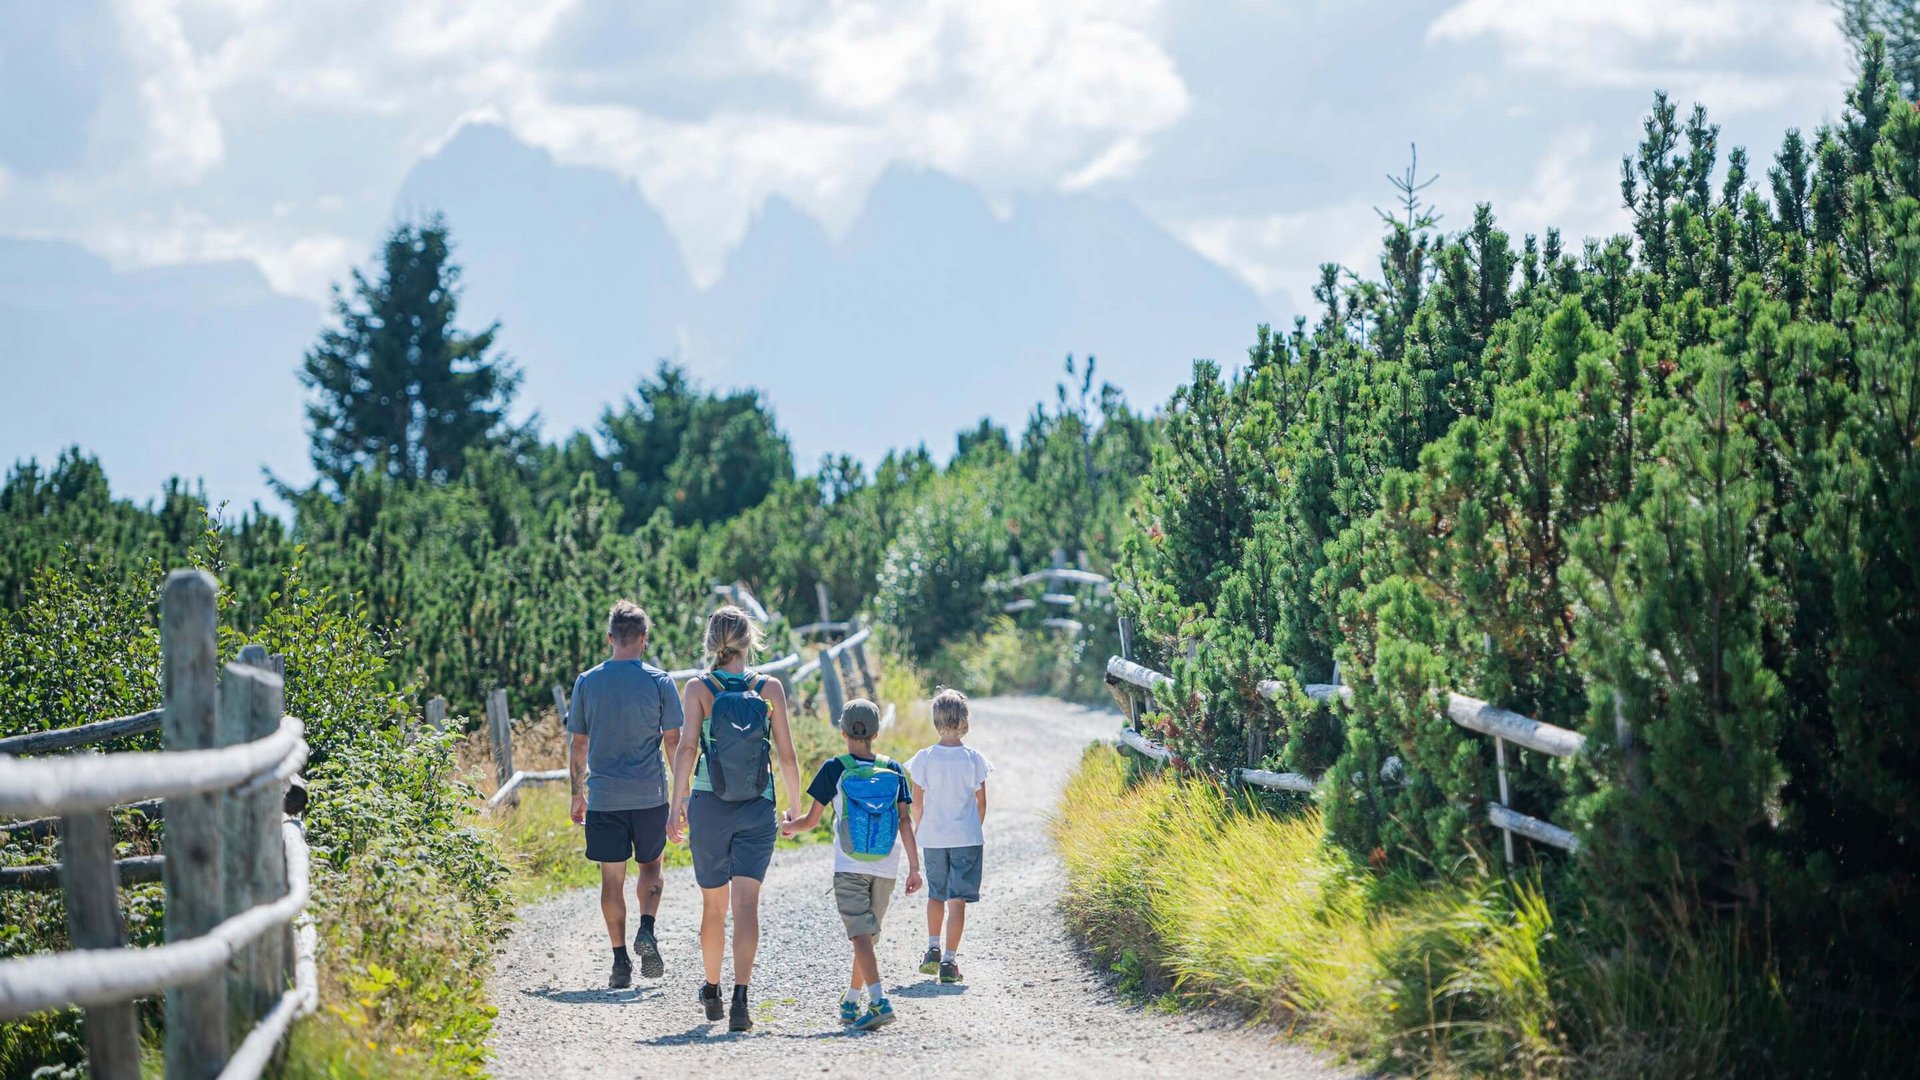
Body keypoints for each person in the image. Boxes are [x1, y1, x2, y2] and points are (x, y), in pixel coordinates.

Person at [667, 605, 801, 1032]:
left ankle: (712, 990)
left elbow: (687, 748)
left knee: (713, 905)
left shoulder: (698, 688)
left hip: (709, 805)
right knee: (746, 905)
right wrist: (795, 808)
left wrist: (677, 803)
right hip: (758, 806)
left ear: (711, 643)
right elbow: (786, 755)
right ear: (749, 640)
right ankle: (742, 1000)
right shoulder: (769, 688)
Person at [780, 698, 922, 1031]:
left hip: (850, 865)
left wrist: (787, 826)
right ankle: (851, 1000)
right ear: (875, 733)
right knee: (866, 937)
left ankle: (879, 1002)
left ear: (843, 731)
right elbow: (905, 821)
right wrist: (915, 867)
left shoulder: (834, 768)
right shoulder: (894, 769)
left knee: (861, 936)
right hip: (886, 866)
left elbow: (810, 821)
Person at [567, 600, 683, 990]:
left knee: (611, 880)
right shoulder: (660, 682)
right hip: (650, 797)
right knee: (650, 868)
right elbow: (673, 743)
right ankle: (646, 927)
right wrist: (682, 797)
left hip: (604, 799)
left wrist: (577, 794)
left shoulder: (587, 682)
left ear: (610, 638)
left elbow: (578, 745)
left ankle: (620, 962)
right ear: (644, 638)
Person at [905, 689, 992, 984]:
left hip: (934, 838)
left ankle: (932, 948)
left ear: (936, 720)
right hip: (966, 838)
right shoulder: (974, 759)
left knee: (935, 894)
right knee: (957, 901)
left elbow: (916, 802)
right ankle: (949, 961)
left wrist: (922, 827)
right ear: (965, 720)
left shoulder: (924, 759)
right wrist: (972, 827)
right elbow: (981, 803)